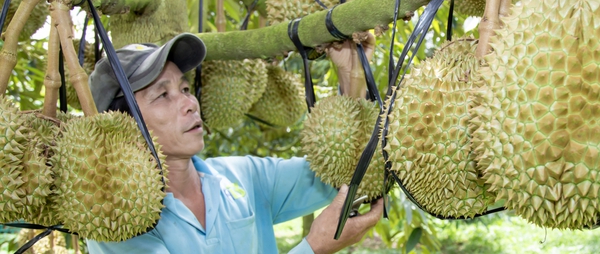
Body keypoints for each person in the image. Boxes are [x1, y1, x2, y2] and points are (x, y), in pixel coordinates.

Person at [85, 33, 383, 254]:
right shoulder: (116, 224)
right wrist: (314, 246)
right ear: (123, 123)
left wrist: (351, 75)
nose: (190, 103)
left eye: (185, 88)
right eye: (163, 95)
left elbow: (336, 166)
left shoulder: (242, 176)